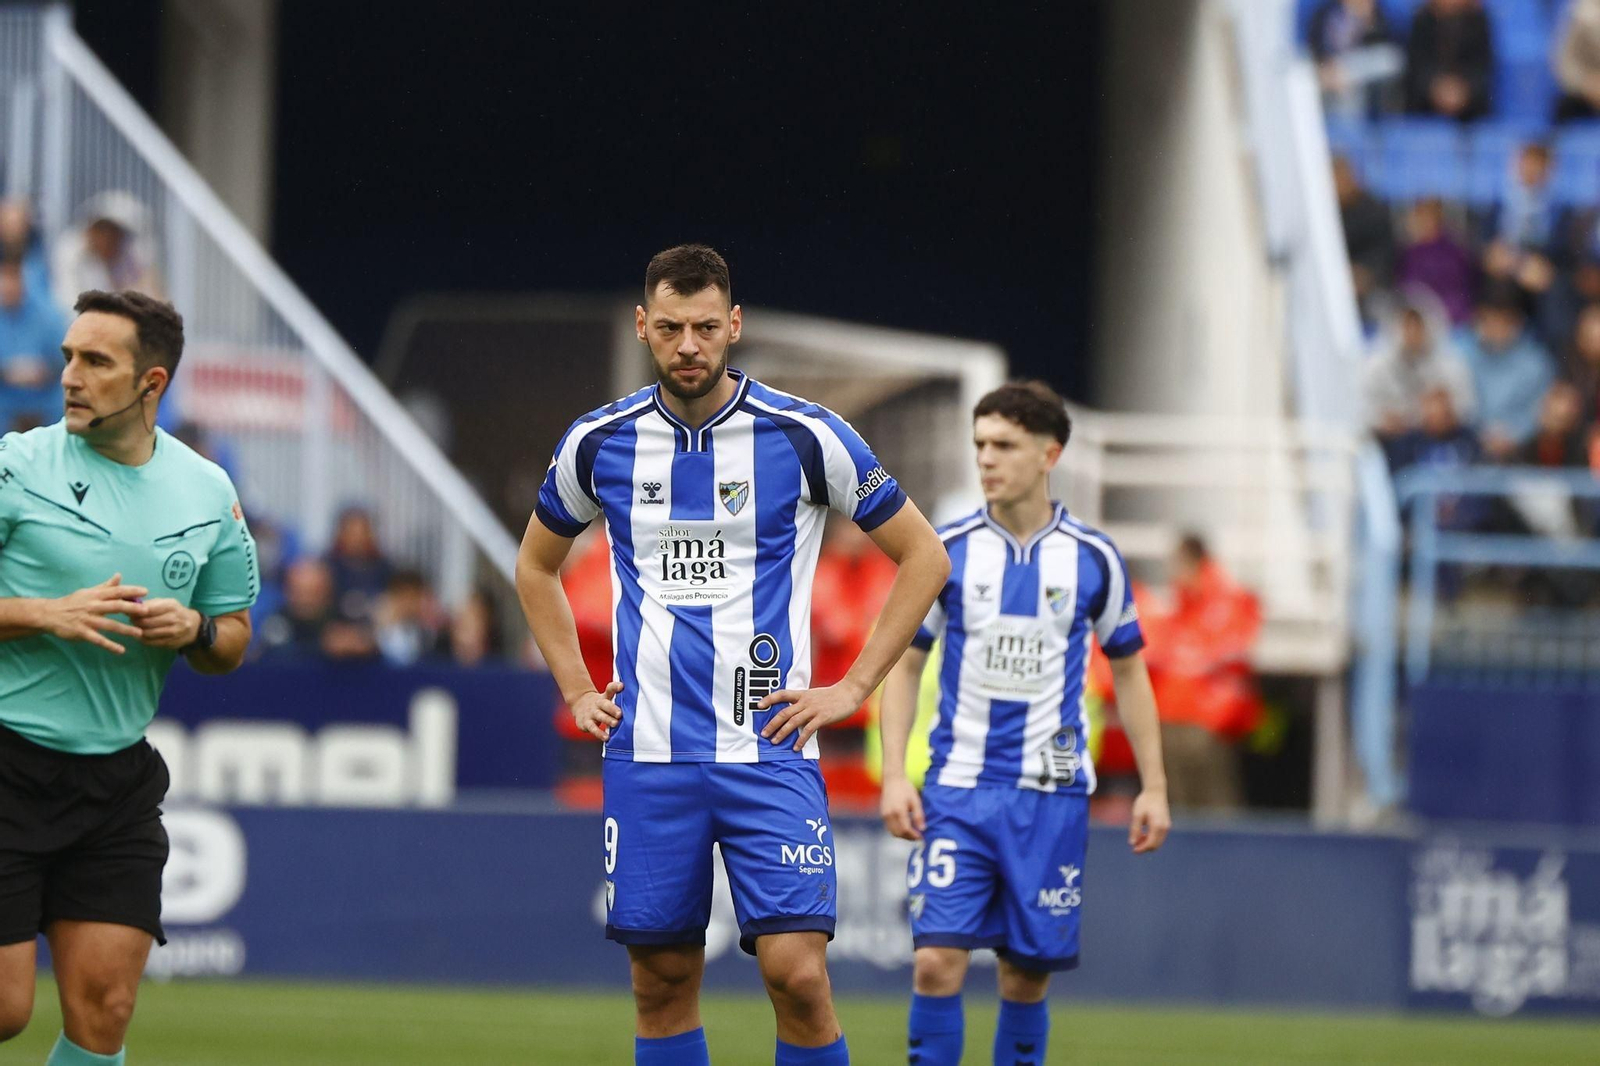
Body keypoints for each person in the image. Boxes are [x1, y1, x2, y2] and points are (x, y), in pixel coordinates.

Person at [516, 244, 948, 1066]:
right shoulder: (598, 442)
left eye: (706, 327)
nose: (689, 345)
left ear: (734, 326)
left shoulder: (806, 435)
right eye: (672, 327)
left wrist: (853, 686)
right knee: (663, 979)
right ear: (643, 327)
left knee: (799, 977)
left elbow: (925, 558)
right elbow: (534, 566)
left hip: (769, 749)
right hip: (650, 754)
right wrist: (575, 686)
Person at [877, 381, 1170, 1066]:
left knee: (1025, 975)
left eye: (1004, 445)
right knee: (935, 964)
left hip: (1051, 796)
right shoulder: (944, 551)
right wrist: (895, 774)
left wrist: (1154, 785)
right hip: (958, 791)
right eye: (980, 445)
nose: (987, 459)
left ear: (1049, 453)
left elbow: (1130, 671)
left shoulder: (1094, 559)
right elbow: (903, 667)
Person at [0, 289, 258, 1064]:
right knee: (6, 1008)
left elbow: (233, 637)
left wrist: (197, 629)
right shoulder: (18, 466)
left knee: (105, 1009)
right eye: (68, 358)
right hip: (6, 765)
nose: (71, 377)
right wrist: (43, 613)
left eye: (95, 361)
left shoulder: (207, 492)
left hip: (113, 784)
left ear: (152, 383)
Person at [1144, 534, 1262, 812]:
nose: (1173, 571)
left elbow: (1233, 655)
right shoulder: (1177, 603)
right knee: (1179, 805)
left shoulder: (1229, 600)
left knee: (1216, 805)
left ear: (1194, 562)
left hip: (1209, 724)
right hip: (1174, 718)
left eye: (1178, 563)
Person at [1455, 285, 1556, 460]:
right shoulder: (1459, 352)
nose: (1496, 328)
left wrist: (1514, 435)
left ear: (1518, 323)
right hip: (1465, 445)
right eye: (1489, 320)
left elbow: (1542, 409)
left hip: (1521, 452)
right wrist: (1480, 433)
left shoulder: (1536, 362)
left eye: (1504, 321)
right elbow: (1455, 402)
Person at [1363, 294, 1476, 442]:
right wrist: (1384, 421)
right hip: (1390, 444)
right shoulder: (1377, 367)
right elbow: (1364, 412)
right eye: (1406, 325)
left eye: (1417, 325)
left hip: (1441, 442)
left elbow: (1467, 408)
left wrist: (1446, 413)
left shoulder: (1450, 364)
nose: (1412, 333)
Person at [51, 193, 163, 312]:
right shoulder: (72, 252)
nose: (107, 237)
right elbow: (71, 306)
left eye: (113, 231)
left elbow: (155, 298)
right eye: (101, 229)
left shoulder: (130, 254)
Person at [0, 258, 67, 432]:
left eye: (13, 278)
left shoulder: (48, 314)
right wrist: (7, 373)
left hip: (45, 396)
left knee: (65, 399)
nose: (8, 286)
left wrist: (45, 370)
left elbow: (66, 357)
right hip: (5, 398)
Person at [1308, 0, 1403, 118]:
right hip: (1331, 68)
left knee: (1389, 59)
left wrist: (1368, 23)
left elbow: (1379, 48)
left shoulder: (1374, 11)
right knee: (1340, 85)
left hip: (1359, 69)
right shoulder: (1326, 11)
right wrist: (1328, 66)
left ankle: (1343, 75)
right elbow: (1317, 47)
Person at [1402, 0, 1493, 121]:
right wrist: (1435, 89)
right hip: (1425, 108)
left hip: (1470, 110)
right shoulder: (1422, 20)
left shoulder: (1478, 21)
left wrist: (1463, 91)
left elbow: (1482, 67)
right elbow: (1417, 66)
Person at [1555, 0, 1600, 121]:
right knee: (1564, 106)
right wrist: (1587, 83)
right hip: (1586, 92)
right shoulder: (1579, 13)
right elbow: (1565, 63)